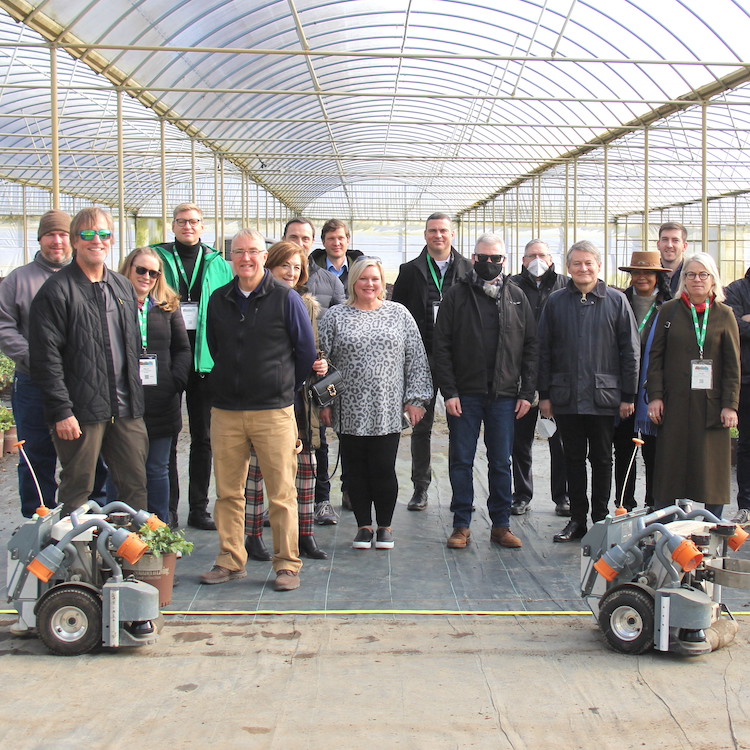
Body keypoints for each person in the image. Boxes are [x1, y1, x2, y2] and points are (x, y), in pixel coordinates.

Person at [201, 229, 316, 591]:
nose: (246, 258)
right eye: (239, 253)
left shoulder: (285, 299)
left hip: (273, 411)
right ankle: (230, 560)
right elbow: (214, 346)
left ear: (263, 257)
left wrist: (280, 387)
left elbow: (306, 354)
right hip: (227, 411)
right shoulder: (219, 299)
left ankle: (287, 565)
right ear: (230, 258)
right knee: (228, 492)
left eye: (253, 252)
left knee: (281, 493)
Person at [29, 207, 148, 515]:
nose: (97, 240)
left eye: (104, 234)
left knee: (135, 486)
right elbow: (46, 358)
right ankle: (75, 561)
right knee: (77, 489)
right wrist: (62, 411)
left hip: (125, 408)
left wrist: (137, 398)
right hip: (81, 411)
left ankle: (130, 558)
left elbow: (132, 345)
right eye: (88, 234)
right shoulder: (56, 291)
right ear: (74, 241)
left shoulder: (122, 285)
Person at [319, 257, 432, 550]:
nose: (370, 284)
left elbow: (416, 359)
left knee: (383, 468)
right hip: (349, 407)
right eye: (363, 279)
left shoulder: (399, 314)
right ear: (353, 282)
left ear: (383, 283)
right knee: (354, 470)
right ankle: (363, 527)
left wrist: (416, 400)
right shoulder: (335, 316)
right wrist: (325, 403)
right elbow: (323, 363)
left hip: (387, 407)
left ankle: (384, 526)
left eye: (375, 279)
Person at [433, 234, 537, 549]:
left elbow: (532, 347)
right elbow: (442, 346)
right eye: (483, 257)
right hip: (465, 394)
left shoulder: (517, 297)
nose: (489, 263)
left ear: (505, 261)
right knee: (462, 459)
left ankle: (501, 525)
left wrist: (526, 392)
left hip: (504, 396)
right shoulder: (455, 296)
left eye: (496, 258)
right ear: (473, 258)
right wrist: (449, 391)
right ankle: (461, 523)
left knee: (501, 461)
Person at [538, 240, 640, 542]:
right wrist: (544, 395)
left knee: (602, 459)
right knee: (572, 458)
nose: (583, 269)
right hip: (566, 396)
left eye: (589, 263)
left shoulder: (616, 301)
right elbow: (543, 351)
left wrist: (627, 396)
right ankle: (577, 520)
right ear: (569, 268)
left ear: (598, 266)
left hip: (603, 398)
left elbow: (630, 351)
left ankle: (600, 519)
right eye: (577, 264)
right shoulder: (556, 302)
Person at [243, 241, 329, 560]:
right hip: (265, 398)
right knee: (258, 470)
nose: (291, 273)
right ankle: (252, 535)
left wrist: (319, 362)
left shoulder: (305, 305)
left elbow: (312, 347)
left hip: (299, 400)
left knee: (305, 467)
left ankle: (304, 533)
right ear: (270, 266)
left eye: (297, 267)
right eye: (285, 266)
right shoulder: (253, 302)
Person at [152, 203, 233, 530]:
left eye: (195, 222)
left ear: (203, 227)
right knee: (167, 436)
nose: (188, 226)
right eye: (182, 221)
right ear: (172, 225)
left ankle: (198, 508)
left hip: (205, 361)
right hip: (169, 357)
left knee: (204, 438)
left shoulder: (217, 262)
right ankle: (167, 510)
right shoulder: (157, 258)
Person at [647, 252, 740, 517]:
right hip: (674, 402)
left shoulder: (725, 314)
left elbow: (733, 365)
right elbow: (656, 358)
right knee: (670, 468)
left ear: (713, 280)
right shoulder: (669, 310)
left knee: (712, 469)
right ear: (683, 279)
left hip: (712, 405)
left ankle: (712, 525)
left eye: (703, 274)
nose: (697, 280)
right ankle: (665, 526)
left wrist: (730, 405)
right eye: (690, 274)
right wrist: (655, 396)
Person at [391, 212, 472, 511]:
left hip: (457, 359)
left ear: (452, 235)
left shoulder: (468, 269)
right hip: (421, 357)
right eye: (432, 231)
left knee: (459, 424)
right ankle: (420, 488)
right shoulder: (410, 270)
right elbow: (397, 314)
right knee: (420, 424)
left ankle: (459, 492)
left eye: (443, 231)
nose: (438, 236)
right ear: (425, 235)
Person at [0, 211, 72, 516]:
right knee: (35, 455)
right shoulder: (19, 279)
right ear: (40, 239)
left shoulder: (83, 276)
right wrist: (37, 360)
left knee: (87, 455)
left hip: (76, 383)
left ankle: (81, 524)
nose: (57, 241)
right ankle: (38, 519)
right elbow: (4, 326)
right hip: (33, 383)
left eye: (63, 235)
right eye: (50, 235)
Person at [118, 247, 191, 523]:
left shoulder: (167, 306)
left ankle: (158, 526)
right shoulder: (114, 304)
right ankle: (122, 528)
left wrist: (175, 382)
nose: (147, 277)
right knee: (123, 468)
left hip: (161, 400)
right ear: (128, 269)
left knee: (158, 468)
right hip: (124, 400)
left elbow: (182, 349)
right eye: (141, 270)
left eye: (153, 272)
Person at [283, 217, 345, 524]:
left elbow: (339, 326)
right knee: (282, 439)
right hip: (282, 373)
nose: (299, 242)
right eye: (293, 236)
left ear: (312, 242)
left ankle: (321, 499)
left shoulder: (328, 281)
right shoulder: (274, 280)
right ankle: (283, 499)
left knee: (317, 436)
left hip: (315, 373)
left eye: (305, 238)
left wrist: (325, 361)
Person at [509, 239, 569, 517]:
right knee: (520, 440)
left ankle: (563, 496)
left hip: (555, 373)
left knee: (559, 439)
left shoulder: (565, 286)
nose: (537, 260)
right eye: (531, 255)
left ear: (552, 259)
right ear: (523, 260)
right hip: (520, 374)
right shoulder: (511, 286)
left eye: (542, 255)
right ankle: (521, 494)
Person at [612, 251, 672, 511]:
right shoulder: (619, 301)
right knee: (623, 448)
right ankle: (624, 502)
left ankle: (653, 503)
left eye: (648, 272)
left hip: (653, 387)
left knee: (654, 449)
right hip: (623, 386)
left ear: (657, 276)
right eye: (636, 272)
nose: (642, 277)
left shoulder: (669, 306)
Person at [724, 266, 750, 524]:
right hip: (746, 380)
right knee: (747, 445)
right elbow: (735, 326)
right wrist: (743, 321)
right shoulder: (736, 289)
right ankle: (746, 506)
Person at [310, 219, 364, 292]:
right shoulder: (311, 270)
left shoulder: (361, 269)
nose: (336, 243)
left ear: (348, 240)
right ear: (323, 242)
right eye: (331, 239)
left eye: (340, 238)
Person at [657, 221, 689, 297]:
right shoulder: (650, 273)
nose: (669, 245)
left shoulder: (692, 274)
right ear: (658, 244)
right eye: (665, 239)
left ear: (684, 246)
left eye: (675, 240)